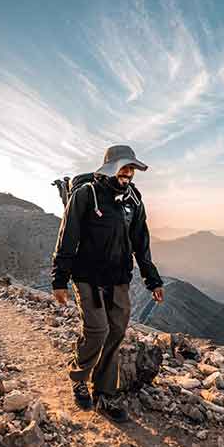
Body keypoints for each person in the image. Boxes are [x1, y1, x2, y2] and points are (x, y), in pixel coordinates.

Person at [51, 145, 164, 423]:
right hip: (87, 276)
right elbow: (67, 238)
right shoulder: (86, 194)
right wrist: (60, 279)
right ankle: (78, 376)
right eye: (124, 167)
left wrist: (153, 279)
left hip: (118, 278)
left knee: (116, 332)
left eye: (132, 168)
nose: (128, 173)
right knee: (97, 330)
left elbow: (141, 242)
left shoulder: (133, 199)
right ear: (110, 167)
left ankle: (104, 392)